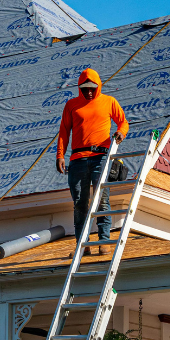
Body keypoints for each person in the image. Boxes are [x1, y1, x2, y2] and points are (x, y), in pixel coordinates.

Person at [56, 69, 128, 256]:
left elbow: (123, 122)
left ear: (98, 86)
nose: (89, 92)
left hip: (100, 157)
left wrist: (120, 134)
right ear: (80, 88)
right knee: (80, 203)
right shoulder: (72, 105)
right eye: (85, 88)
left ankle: (104, 241)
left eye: (92, 88)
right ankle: (83, 244)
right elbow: (64, 131)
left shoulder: (108, 101)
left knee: (101, 200)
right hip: (78, 159)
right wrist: (60, 155)